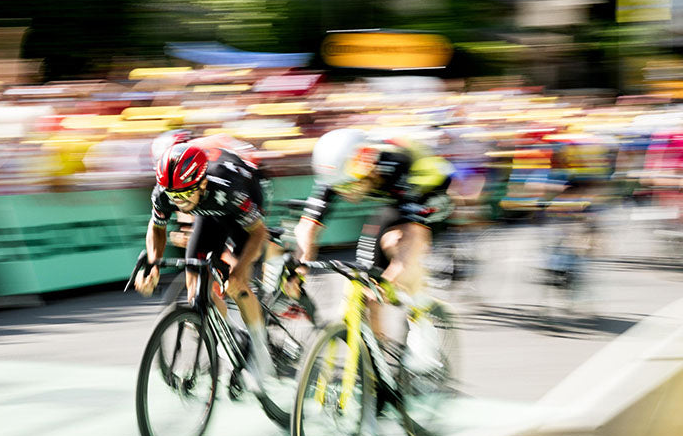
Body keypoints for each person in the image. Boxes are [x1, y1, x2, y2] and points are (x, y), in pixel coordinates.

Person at [133, 141, 275, 389]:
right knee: (195, 287)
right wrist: (153, 265)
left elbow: (258, 233)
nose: (178, 202)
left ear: (202, 183)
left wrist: (239, 269)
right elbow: (156, 228)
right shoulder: (167, 190)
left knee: (237, 282)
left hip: (246, 195)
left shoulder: (227, 189)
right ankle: (232, 335)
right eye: (173, 196)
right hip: (208, 208)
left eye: (184, 195)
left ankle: (260, 350)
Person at [293, 128, 454, 341]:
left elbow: (415, 236)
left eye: (350, 185)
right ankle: (377, 352)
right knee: (366, 279)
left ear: (367, 165)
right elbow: (308, 227)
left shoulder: (395, 163)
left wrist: (389, 279)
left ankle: (421, 321)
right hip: (394, 199)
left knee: (395, 246)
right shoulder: (337, 172)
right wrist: (298, 269)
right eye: (339, 188)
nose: (345, 193)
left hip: (430, 190)